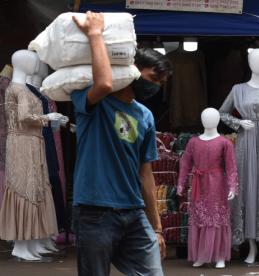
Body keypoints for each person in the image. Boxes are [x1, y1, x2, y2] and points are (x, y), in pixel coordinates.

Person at [70, 12, 172, 276]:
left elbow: (145, 174)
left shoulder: (145, 115)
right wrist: (95, 33)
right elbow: (104, 82)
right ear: (133, 69)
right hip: (94, 212)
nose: (156, 87)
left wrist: (157, 227)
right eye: (154, 78)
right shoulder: (93, 100)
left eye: (160, 84)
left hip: (133, 212)